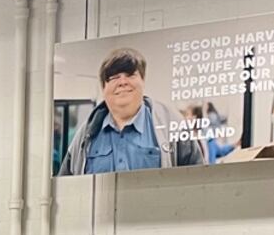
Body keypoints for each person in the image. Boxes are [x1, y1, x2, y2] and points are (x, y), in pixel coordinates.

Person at [59, 47, 206, 175]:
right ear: (103, 88)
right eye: (114, 77)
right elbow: (65, 186)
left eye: (130, 75)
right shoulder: (85, 135)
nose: (122, 82)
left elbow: (199, 178)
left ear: (143, 80)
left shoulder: (171, 122)